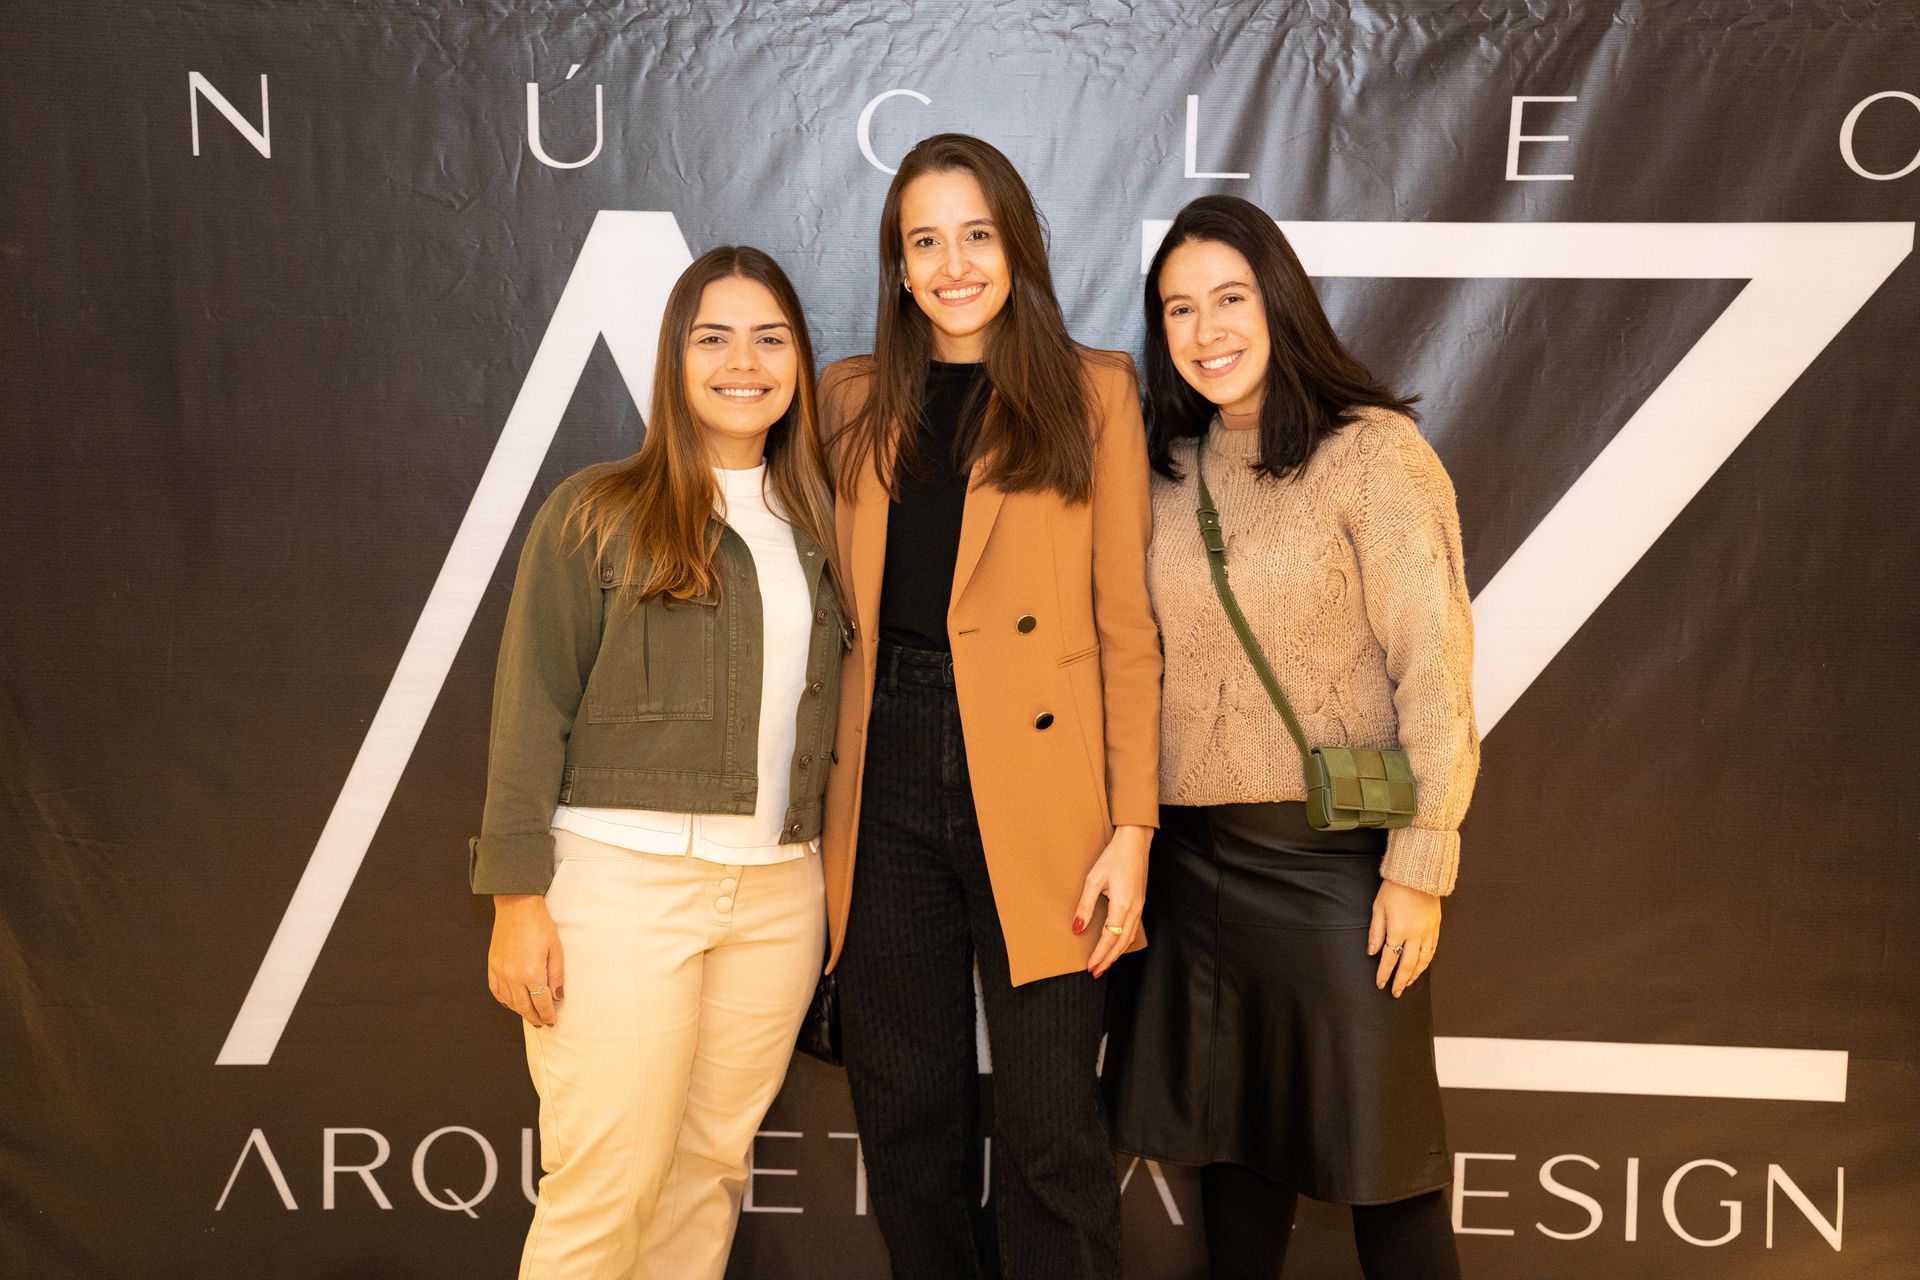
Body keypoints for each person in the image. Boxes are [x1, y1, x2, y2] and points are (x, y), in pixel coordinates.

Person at [1102, 195, 1479, 1280]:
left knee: (1391, 1181)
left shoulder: (1376, 455)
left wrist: (1420, 865)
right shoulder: (1162, 471)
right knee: (1234, 1181)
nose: (1206, 330)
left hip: (1337, 870)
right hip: (1192, 867)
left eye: (1229, 298)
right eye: (1178, 309)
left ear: (1279, 302)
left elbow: (1438, 671)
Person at [816, 133, 1161, 1280]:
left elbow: (1125, 629)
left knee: (1055, 1131)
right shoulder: (850, 401)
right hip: (885, 775)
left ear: (1015, 243)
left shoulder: (1095, 390)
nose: (953, 263)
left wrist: (1135, 828)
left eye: (976, 234)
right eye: (925, 240)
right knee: (907, 1122)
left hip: (1047, 787)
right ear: (898, 264)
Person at [468, 246, 847, 1280]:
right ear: (674, 360)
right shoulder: (596, 508)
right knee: (604, 1189)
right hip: (618, 888)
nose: (744, 361)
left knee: (706, 1177)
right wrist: (515, 898)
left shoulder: (825, 521)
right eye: (712, 336)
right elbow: (528, 701)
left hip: (779, 893)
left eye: (771, 337)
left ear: (800, 362)